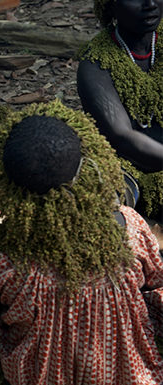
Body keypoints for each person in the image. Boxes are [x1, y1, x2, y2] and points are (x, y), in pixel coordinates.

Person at [0, 101, 163, 385]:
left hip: (42, 383)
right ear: (88, 162)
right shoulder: (128, 225)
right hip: (128, 380)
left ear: (5, 185)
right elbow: (155, 281)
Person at [77, 0, 162, 221]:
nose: (150, 4)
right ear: (110, 6)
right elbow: (122, 136)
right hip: (126, 166)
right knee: (107, 207)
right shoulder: (96, 63)